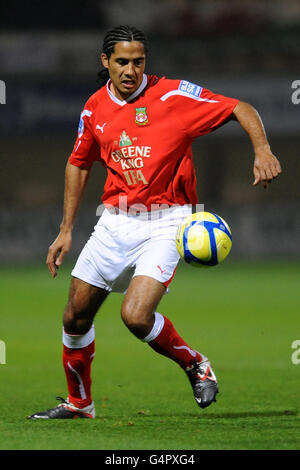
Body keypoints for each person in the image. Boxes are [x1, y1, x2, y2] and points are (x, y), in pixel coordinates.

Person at [28, 25, 282, 419]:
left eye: (139, 61)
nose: (131, 70)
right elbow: (78, 164)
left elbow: (239, 108)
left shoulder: (174, 95)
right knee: (74, 316)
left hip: (168, 222)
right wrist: (65, 229)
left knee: (135, 316)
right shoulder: (94, 107)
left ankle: (196, 364)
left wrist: (262, 150)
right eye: (123, 62)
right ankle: (80, 403)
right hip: (114, 221)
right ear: (106, 62)